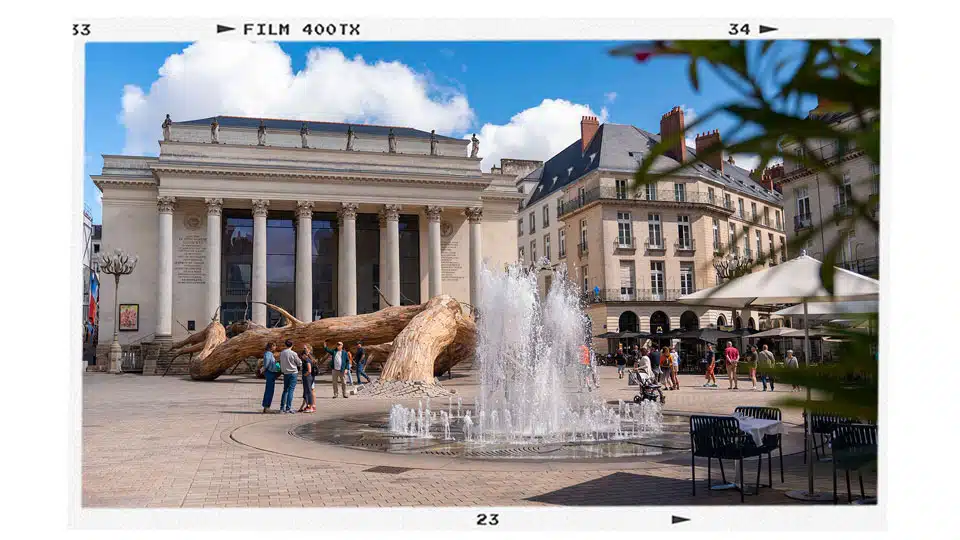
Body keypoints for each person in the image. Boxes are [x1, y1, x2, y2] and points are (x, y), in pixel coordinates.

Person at [278, 340, 302, 413]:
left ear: (285, 345)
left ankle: (282, 408)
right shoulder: (293, 353)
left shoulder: (282, 353)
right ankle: (288, 408)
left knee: (285, 390)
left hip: (285, 373)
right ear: (292, 345)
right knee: (291, 390)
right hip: (293, 372)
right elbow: (299, 363)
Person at [260, 343, 280, 413]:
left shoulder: (269, 353)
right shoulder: (268, 354)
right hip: (270, 373)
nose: (275, 347)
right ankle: (266, 406)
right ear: (271, 347)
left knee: (269, 390)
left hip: (270, 373)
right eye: (274, 346)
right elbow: (266, 364)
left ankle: (266, 406)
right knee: (269, 390)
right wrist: (263, 370)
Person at [298, 345, 317, 413]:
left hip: (308, 377)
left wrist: (305, 375)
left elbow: (309, 370)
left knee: (309, 391)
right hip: (310, 377)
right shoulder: (309, 358)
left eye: (305, 348)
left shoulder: (307, 359)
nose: (304, 349)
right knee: (307, 391)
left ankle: (310, 406)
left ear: (308, 349)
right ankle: (307, 406)